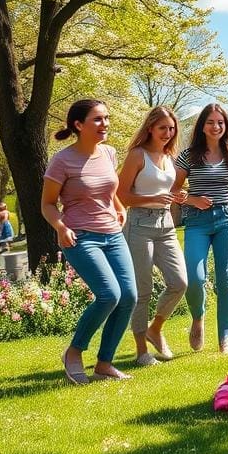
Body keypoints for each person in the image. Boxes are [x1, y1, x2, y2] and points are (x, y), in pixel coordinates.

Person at [41, 99, 137, 384]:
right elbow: (47, 204)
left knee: (129, 296)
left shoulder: (108, 153)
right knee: (109, 294)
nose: (104, 124)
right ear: (79, 125)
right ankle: (73, 352)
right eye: (97, 119)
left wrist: (119, 207)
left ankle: (104, 363)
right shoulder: (62, 161)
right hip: (80, 237)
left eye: (106, 118)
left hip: (113, 235)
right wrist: (60, 227)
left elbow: (109, 190)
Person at [172, 103, 228, 354]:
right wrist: (193, 200)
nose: (216, 127)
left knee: (226, 279)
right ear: (202, 126)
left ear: (226, 126)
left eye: (221, 122)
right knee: (195, 278)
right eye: (211, 122)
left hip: (227, 219)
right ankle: (198, 318)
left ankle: (225, 338)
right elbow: (174, 191)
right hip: (196, 221)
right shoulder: (188, 156)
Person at [116, 106, 188, 366]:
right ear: (150, 128)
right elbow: (121, 195)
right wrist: (152, 198)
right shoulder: (137, 155)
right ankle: (141, 352)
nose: (168, 133)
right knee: (142, 290)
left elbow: (170, 189)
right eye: (162, 128)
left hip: (166, 224)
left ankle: (155, 328)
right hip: (139, 225)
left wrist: (178, 197)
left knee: (179, 282)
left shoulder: (170, 157)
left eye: (171, 129)